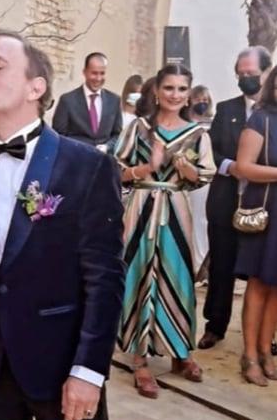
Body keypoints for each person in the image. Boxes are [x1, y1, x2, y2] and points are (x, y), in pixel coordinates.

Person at [0, 30, 125, 420]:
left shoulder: (87, 166)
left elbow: (105, 278)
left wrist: (90, 371)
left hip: (62, 365)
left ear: (37, 87)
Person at [116, 64, 216, 399]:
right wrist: (146, 168)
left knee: (179, 277)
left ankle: (179, 352)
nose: (175, 95)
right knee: (139, 273)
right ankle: (140, 359)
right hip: (142, 206)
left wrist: (189, 170)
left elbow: (204, 175)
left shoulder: (198, 134)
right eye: (169, 88)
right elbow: (114, 170)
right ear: (156, 91)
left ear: (189, 94)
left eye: (181, 89)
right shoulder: (139, 128)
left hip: (176, 209)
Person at [200, 46, 274, 350]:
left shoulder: (273, 113)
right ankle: (215, 326)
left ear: (267, 73)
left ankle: (266, 336)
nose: (245, 79)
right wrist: (231, 167)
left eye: (251, 74)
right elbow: (211, 149)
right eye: (240, 74)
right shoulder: (227, 109)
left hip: (268, 203)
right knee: (221, 266)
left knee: (266, 272)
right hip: (226, 200)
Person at [235, 64, 277, 386]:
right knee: (259, 283)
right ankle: (249, 354)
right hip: (266, 210)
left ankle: (266, 350)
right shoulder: (260, 120)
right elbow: (243, 167)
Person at [53, 52, 123, 152]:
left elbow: (117, 135)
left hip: (103, 162)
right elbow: (58, 136)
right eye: (94, 73)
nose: (98, 78)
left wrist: (107, 146)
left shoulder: (114, 100)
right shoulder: (67, 100)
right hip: (76, 161)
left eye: (102, 73)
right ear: (85, 72)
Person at [188, 85, 215, 282]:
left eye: (205, 99)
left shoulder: (212, 123)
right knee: (194, 220)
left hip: (209, 177)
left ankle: (205, 264)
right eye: (198, 99)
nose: (202, 102)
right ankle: (195, 263)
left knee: (205, 220)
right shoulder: (187, 124)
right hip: (191, 176)